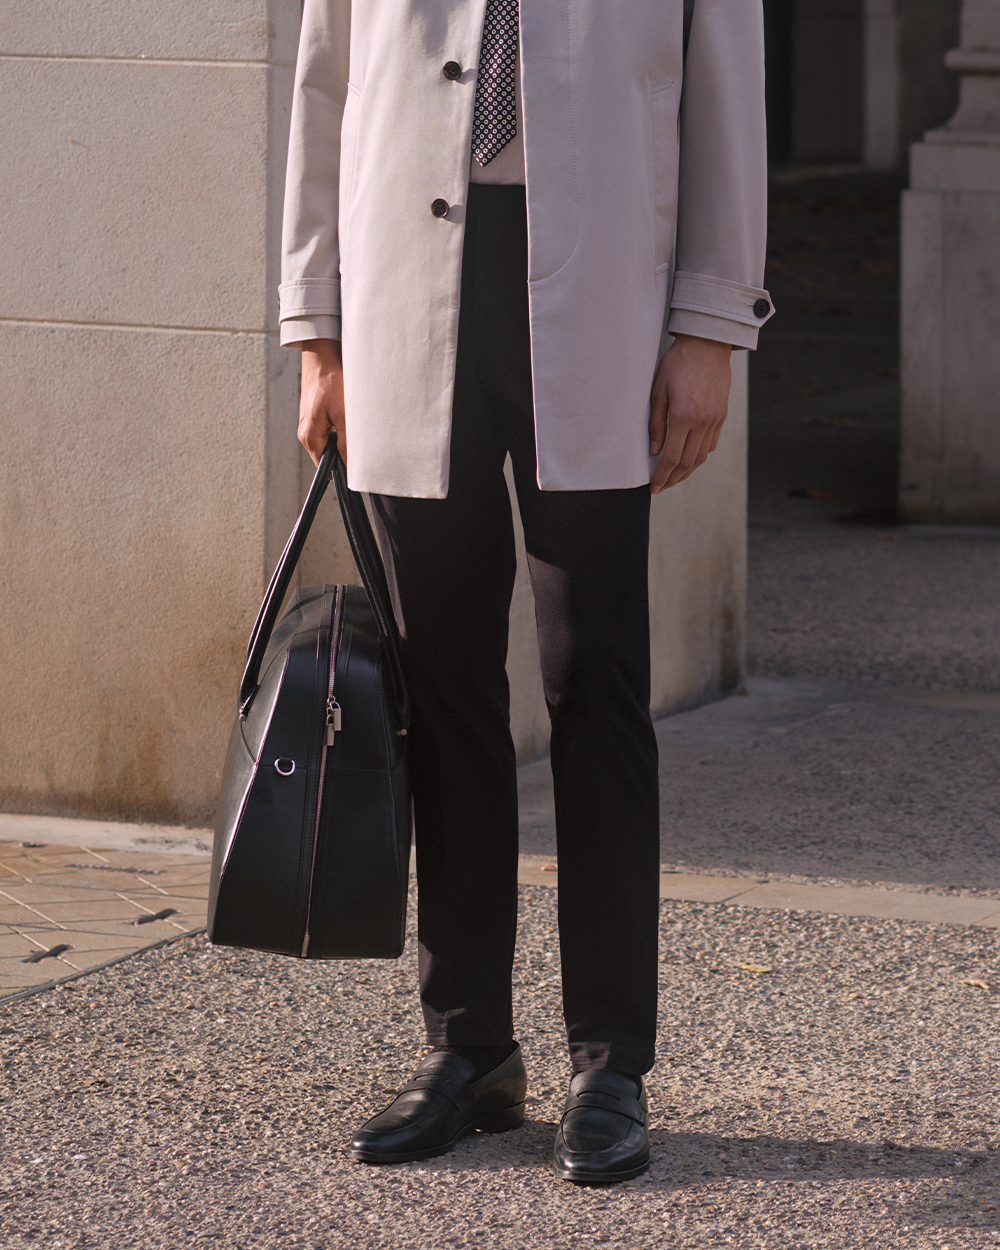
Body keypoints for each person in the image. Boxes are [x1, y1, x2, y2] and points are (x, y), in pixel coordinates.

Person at [279, 0, 772, 1184]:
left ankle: (610, 1064)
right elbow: (323, 89)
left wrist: (710, 325)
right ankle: (468, 1049)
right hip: (408, 306)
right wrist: (318, 333)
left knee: (593, 680)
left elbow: (724, 94)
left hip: (601, 302)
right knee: (442, 692)